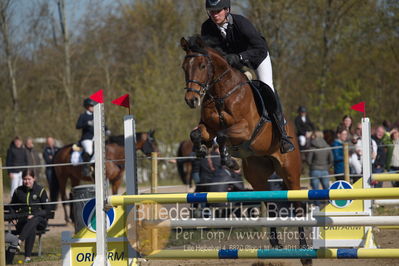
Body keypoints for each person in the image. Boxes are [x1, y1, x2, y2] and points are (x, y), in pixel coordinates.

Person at [200, 0, 294, 154]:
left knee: (267, 87)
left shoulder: (241, 23)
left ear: (227, 10)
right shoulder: (207, 27)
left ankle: (283, 135)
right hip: (232, 64)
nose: (214, 14)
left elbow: (260, 48)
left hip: (256, 58)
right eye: (211, 11)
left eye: (217, 11)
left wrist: (240, 57)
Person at [10, 169, 50, 263]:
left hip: (40, 221)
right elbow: (12, 207)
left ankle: (19, 241)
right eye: (25, 179)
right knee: (31, 225)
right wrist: (13, 217)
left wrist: (34, 215)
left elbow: (47, 210)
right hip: (23, 222)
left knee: (34, 220)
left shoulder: (40, 190)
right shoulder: (18, 191)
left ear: (34, 178)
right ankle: (27, 257)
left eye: (29, 179)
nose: (27, 181)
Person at [76, 98, 96, 176]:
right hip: (87, 138)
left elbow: (103, 125)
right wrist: (86, 123)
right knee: (89, 151)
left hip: (96, 138)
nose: (93, 107)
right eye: (91, 106)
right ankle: (85, 168)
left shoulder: (96, 115)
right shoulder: (83, 116)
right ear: (87, 107)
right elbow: (78, 126)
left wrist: (107, 130)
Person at [43, 137, 60, 205]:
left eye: (51, 141)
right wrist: (54, 159)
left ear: (53, 141)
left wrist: (52, 158)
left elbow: (59, 160)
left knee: (58, 185)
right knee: (51, 186)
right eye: (48, 141)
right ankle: (52, 201)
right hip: (50, 170)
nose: (50, 142)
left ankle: (56, 200)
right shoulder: (45, 150)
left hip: (57, 170)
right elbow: (48, 160)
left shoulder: (57, 149)